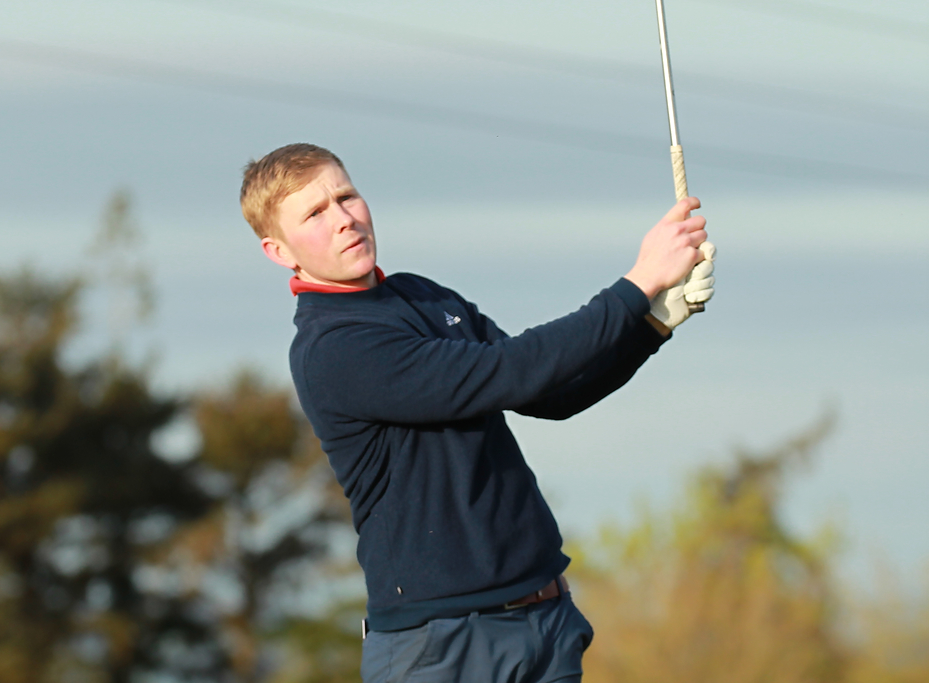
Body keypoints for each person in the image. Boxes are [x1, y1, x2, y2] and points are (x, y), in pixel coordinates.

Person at [239, 143, 715, 682]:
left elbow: (551, 394)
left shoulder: (421, 295)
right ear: (278, 250)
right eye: (315, 214)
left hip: (544, 622)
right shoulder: (332, 348)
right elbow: (509, 370)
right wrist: (638, 285)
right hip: (441, 645)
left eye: (346, 197)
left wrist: (652, 323)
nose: (343, 219)